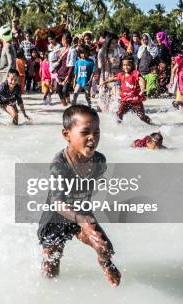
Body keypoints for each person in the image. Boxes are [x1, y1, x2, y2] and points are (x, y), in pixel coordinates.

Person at [37, 105, 120, 286]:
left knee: (105, 248)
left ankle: (104, 263)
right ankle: (47, 295)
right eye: (85, 132)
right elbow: (57, 203)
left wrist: (86, 220)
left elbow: (88, 192)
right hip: (54, 221)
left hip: (81, 214)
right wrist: (82, 220)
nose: (92, 138)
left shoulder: (99, 161)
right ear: (67, 135)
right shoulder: (59, 165)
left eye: (97, 132)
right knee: (51, 269)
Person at [100, 57, 151, 124]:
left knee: (142, 117)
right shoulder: (121, 74)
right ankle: (119, 127)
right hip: (125, 100)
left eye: (128, 65)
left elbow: (141, 80)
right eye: (124, 65)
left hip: (135, 100)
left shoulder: (135, 73)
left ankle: (150, 123)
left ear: (132, 65)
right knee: (119, 114)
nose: (126, 67)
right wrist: (105, 82)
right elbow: (114, 78)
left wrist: (142, 89)